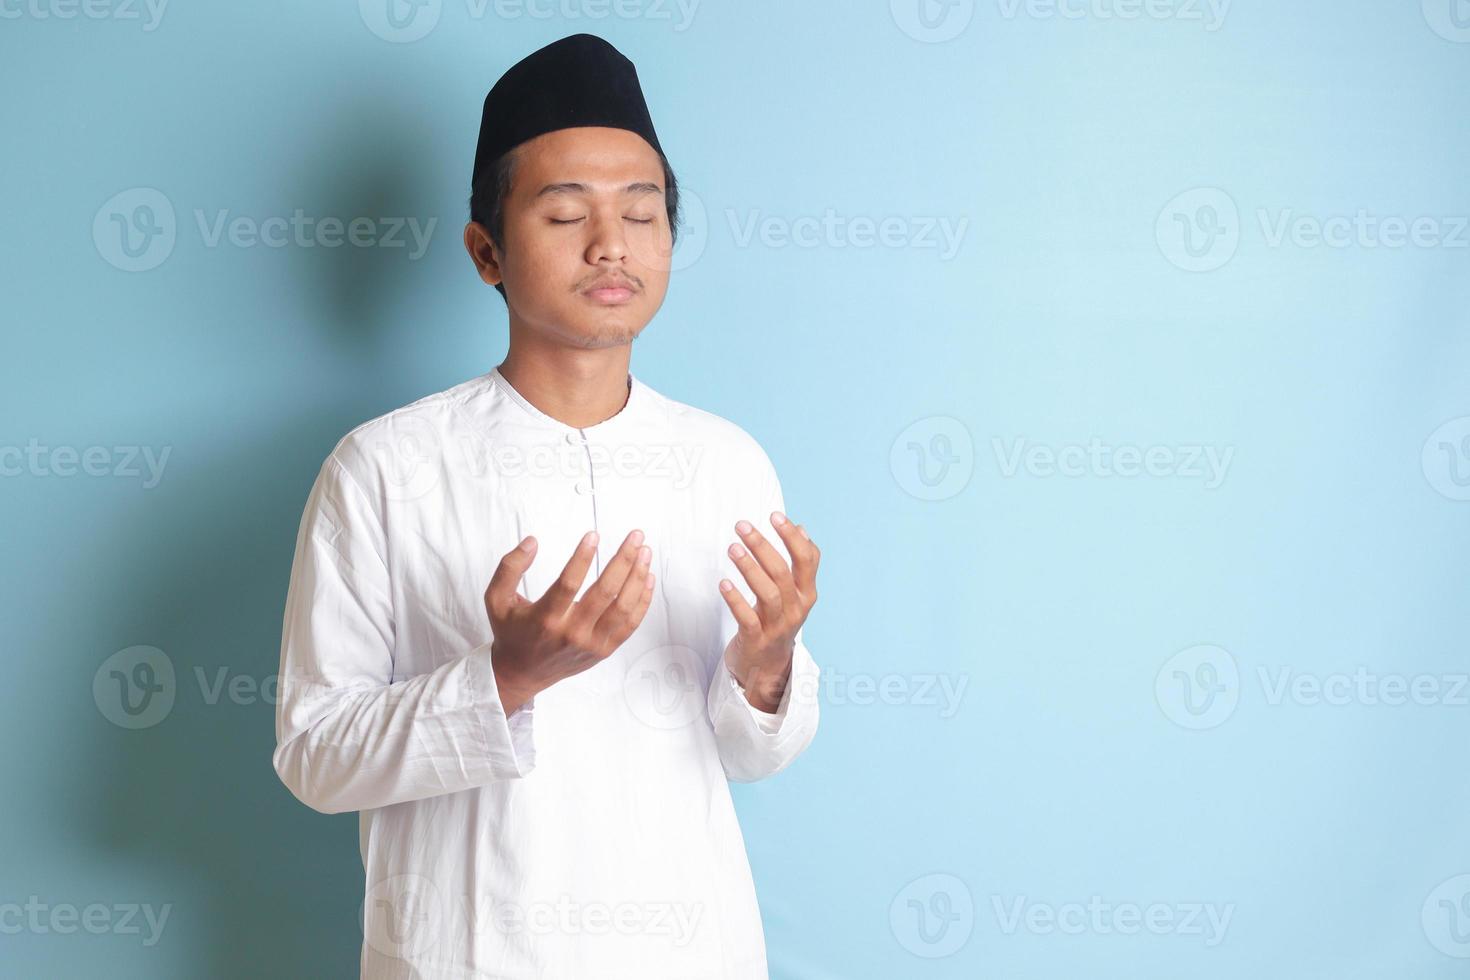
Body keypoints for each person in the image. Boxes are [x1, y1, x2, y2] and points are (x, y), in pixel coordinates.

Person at [272, 33, 823, 979]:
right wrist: (505, 678)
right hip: (470, 956)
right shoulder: (384, 467)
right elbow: (315, 754)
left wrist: (767, 666)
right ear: (486, 252)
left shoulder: (726, 462)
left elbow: (753, 757)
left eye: (642, 215)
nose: (611, 244)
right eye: (566, 213)